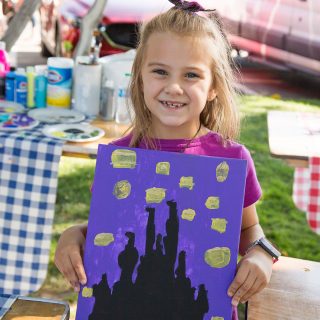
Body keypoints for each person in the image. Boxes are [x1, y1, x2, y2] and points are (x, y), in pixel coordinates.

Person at [54, 1, 276, 318]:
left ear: (213, 87)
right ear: (140, 77)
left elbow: (249, 230)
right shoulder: (121, 159)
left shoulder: (231, 158)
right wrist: (73, 235)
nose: (173, 87)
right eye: (160, 71)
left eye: (191, 75)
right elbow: (117, 228)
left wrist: (262, 255)